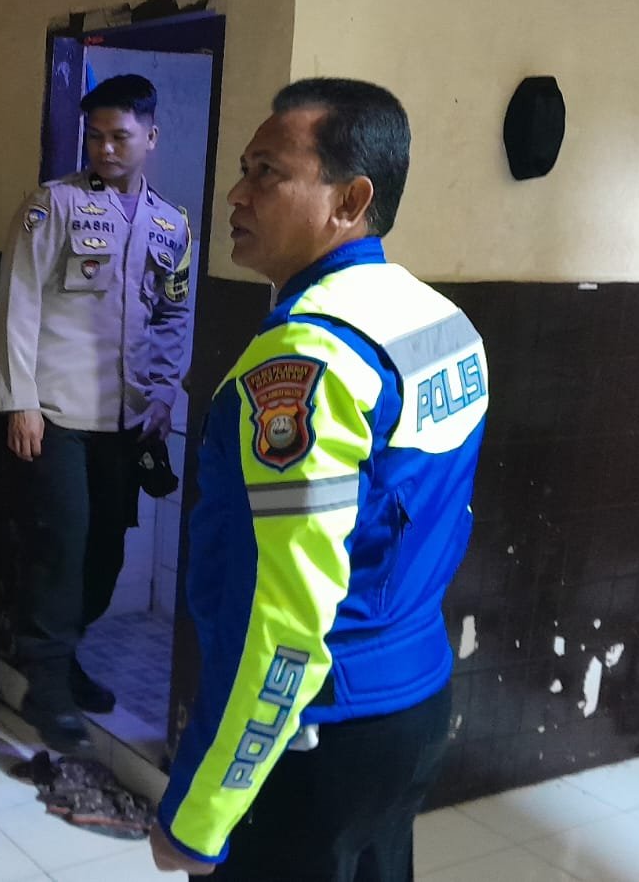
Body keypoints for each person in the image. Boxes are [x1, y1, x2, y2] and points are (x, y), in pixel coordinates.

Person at [150, 78, 489, 880]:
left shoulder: (308, 361)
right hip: (415, 704)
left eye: (268, 172)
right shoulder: (437, 321)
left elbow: (284, 621)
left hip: (319, 734)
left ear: (351, 201)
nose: (237, 194)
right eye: (244, 169)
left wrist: (202, 810)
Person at [0, 73, 195, 752]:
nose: (105, 148)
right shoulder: (54, 206)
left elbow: (173, 315)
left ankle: (62, 654)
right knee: (61, 548)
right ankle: (46, 683)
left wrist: (163, 393)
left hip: (126, 423)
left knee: (105, 554)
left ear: (150, 136)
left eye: (120, 136)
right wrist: (20, 400)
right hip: (56, 414)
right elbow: (18, 302)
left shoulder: (171, 225)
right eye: (96, 136)